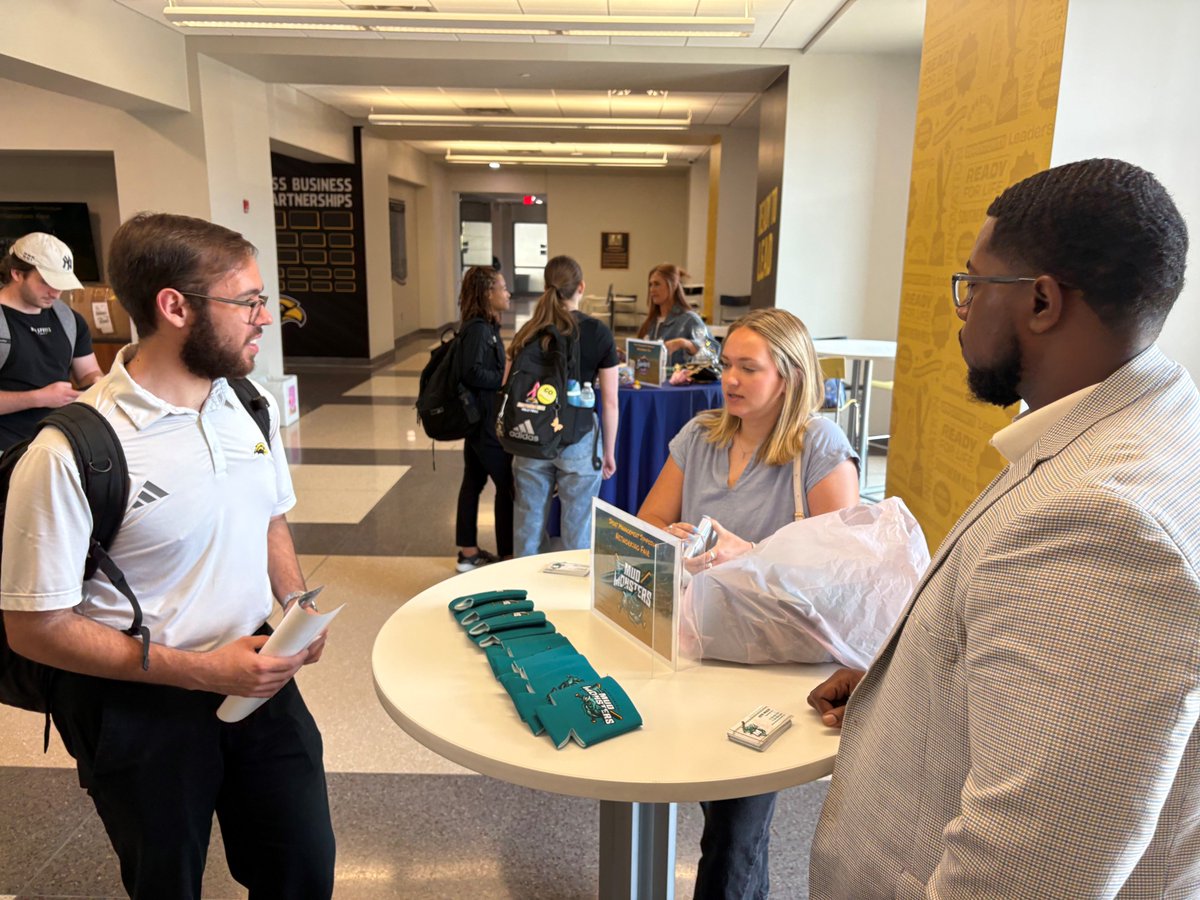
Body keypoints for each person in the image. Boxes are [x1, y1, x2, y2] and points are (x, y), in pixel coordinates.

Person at [807, 158, 1200, 898]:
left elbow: (1027, 875)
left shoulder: (1107, 525)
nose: (962, 308)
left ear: (1042, 302)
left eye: (974, 284)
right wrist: (911, 684)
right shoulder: (1140, 430)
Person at [1, 213, 336, 899]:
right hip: (138, 708)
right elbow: (33, 625)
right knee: (167, 881)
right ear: (175, 307)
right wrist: (200, 670)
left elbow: (269, 513)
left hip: (260, 677)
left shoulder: (248, 402)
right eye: (248, 302)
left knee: (302, 866)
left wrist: (297, 604)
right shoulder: (72, 452)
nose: (266, 319)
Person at [638, 306, 859, 900]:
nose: (730, 379)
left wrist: (749, 552)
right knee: (712, 803)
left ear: (787, 376)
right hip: (700, 642)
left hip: (772, 657)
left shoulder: (820, 446)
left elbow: (842, 566)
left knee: (734, 829)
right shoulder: (701, 435)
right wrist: (671, 536)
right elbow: (651, 518)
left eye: (748, 368)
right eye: (726, 364)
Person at [509, 255, 618, 556]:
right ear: (580, 287)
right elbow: (610, 401)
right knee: (578, 529)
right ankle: (571, 595)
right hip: (578, 440)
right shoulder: (598, 333)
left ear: (546, 287)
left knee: (527, 525)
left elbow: (507, 387)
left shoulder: (528, 331)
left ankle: (523, 591)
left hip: (529, 437)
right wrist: (608, 452)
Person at [0, 232, 102, 450]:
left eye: (61, 284)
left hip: (56, 445)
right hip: (6, 450)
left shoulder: (69, 320)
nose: (56, 293)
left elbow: (88, 372)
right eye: (46, 282)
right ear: (17, 273)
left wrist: (96, 384)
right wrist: (38, 398)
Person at [454, 265, 515, 570]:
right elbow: (472, 373)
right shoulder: (478, 329)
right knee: (507, 484)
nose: (507, 293)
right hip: (482, 420)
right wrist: (503, 373)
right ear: (487, 293)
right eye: (502, 287)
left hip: (481, 417)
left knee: (473, 482)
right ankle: (507, 555)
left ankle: (468, 553)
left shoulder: (486, 325)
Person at [635, 262, 718, 367]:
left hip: (678, 382)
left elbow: (713, 352)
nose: (652, 289)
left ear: (673, 285)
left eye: (657, 284)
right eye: (650, 285)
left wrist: (684, 343)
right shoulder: (649, 323)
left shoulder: (690, 320)